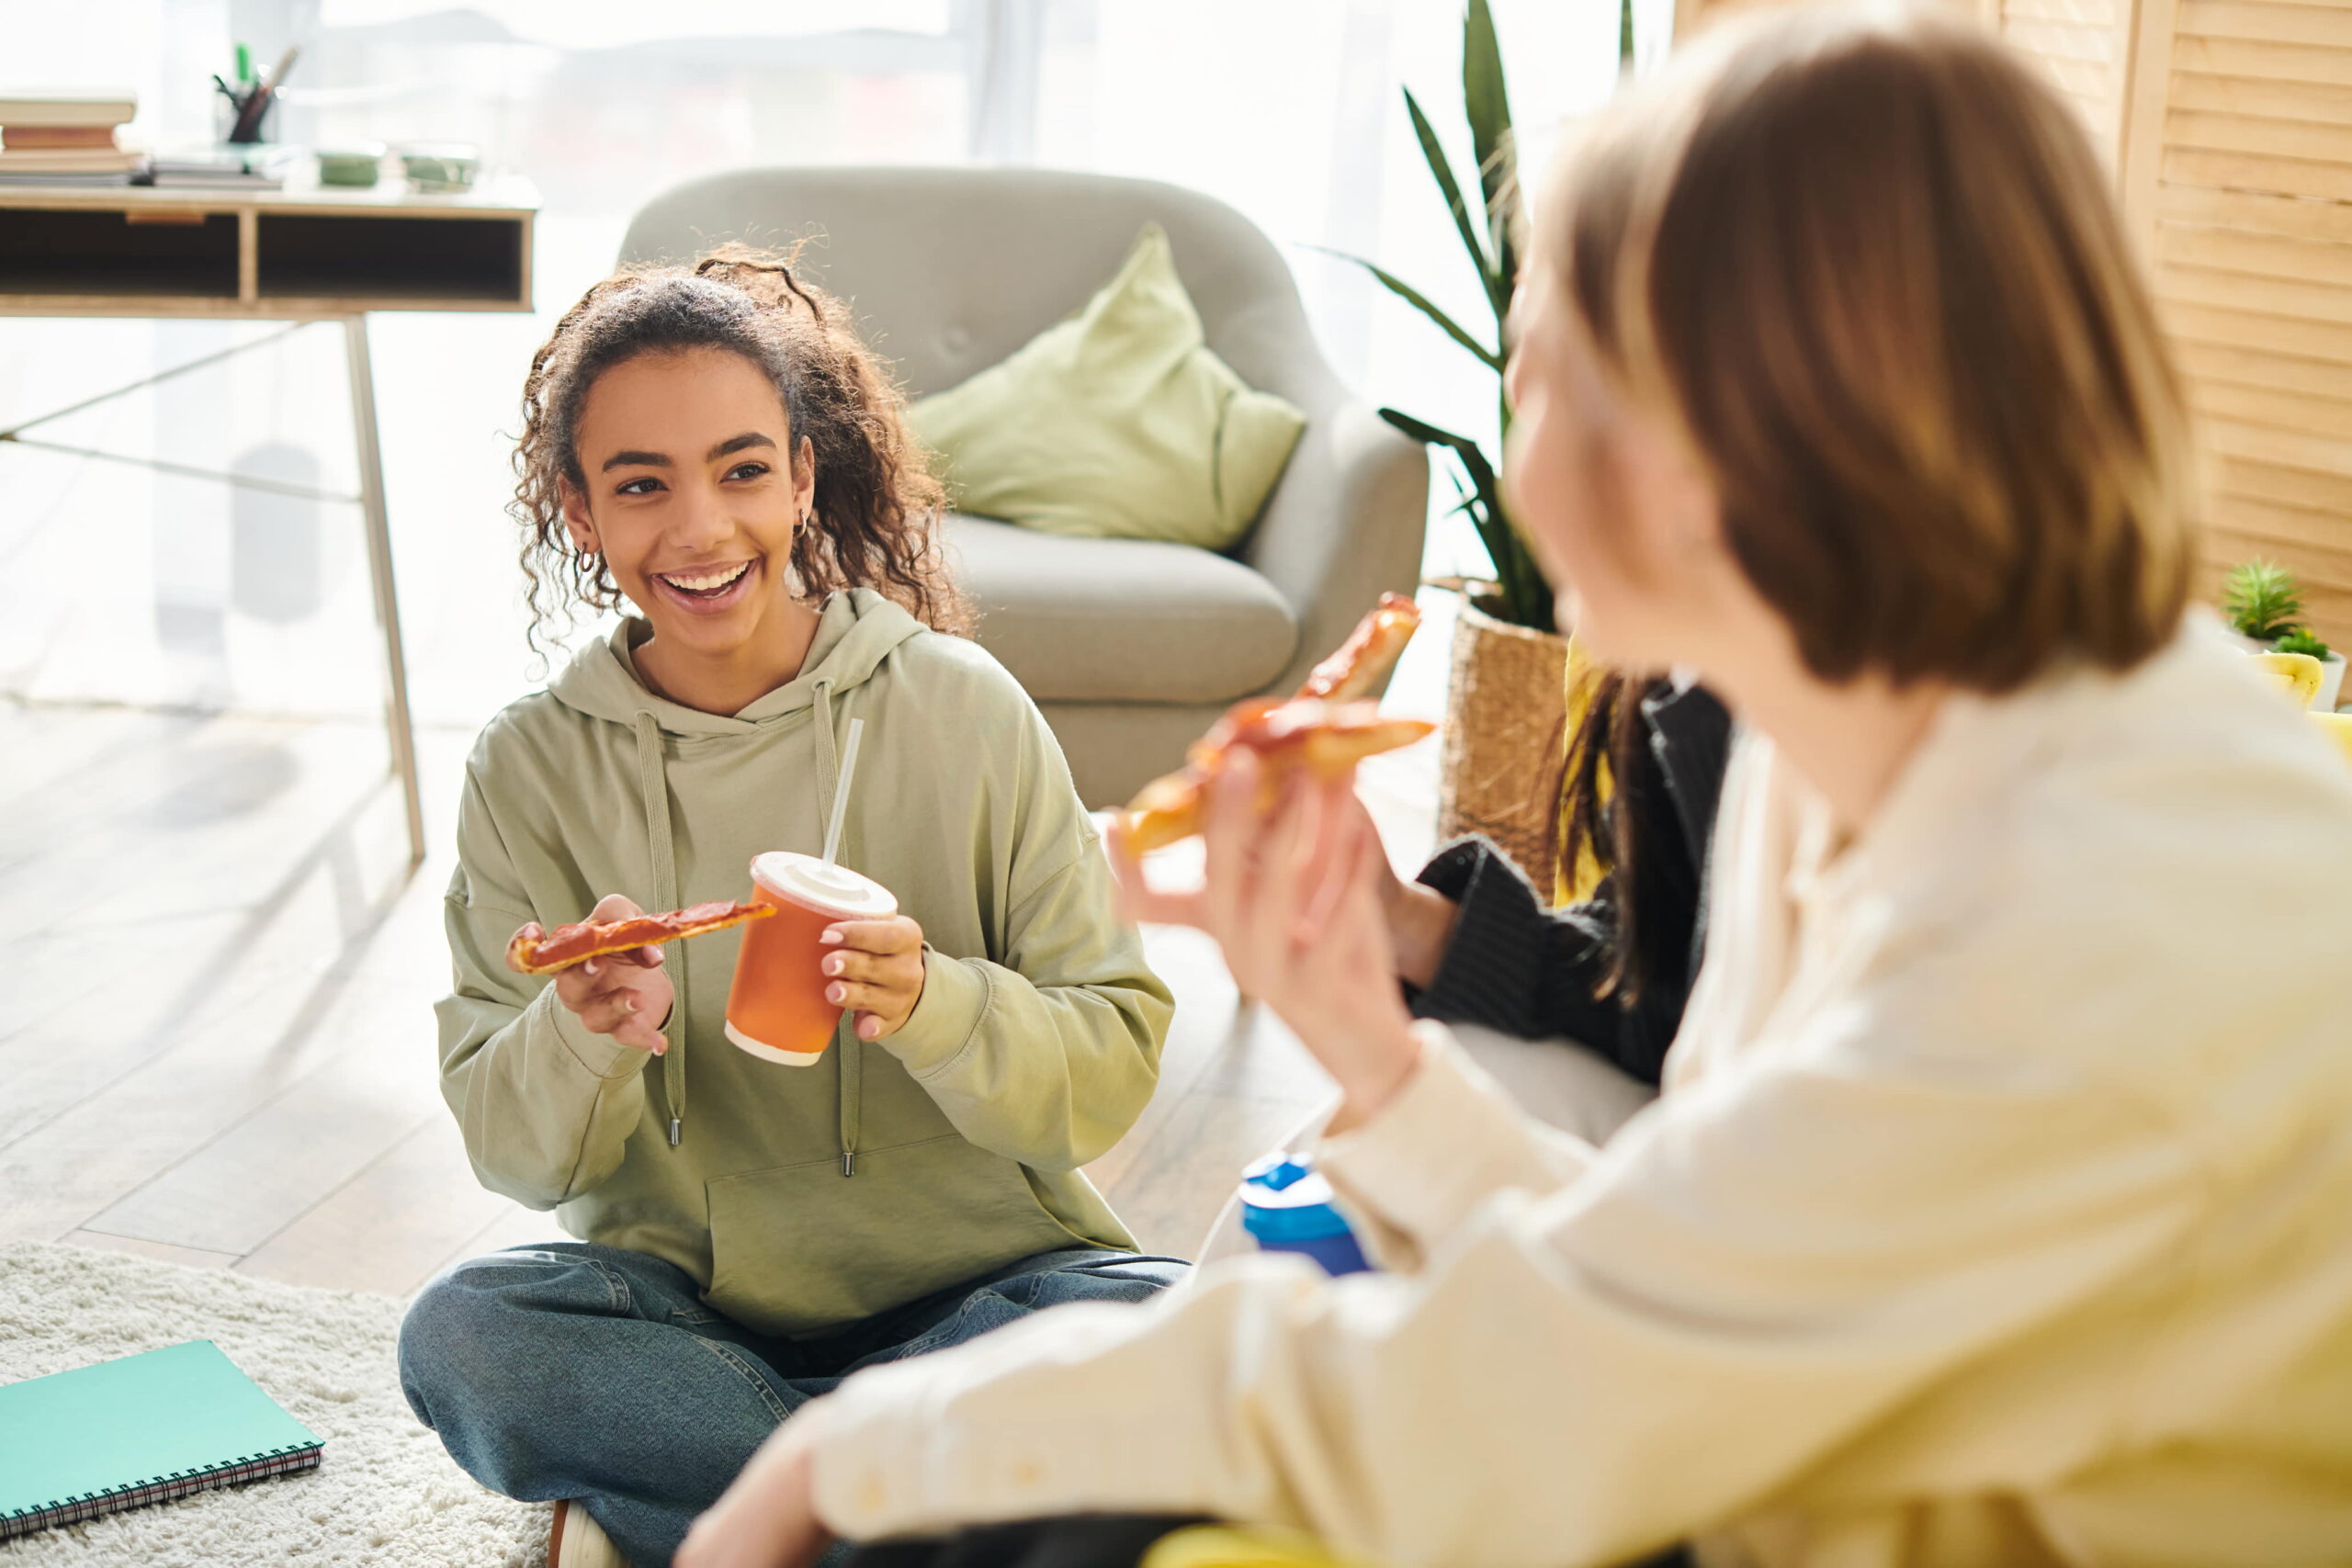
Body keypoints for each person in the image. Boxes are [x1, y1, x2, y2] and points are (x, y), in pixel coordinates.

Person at [676, 8, 2352, 1567]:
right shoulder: (1835, 727)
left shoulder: (2098, 921)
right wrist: (1376, 1044)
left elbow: (1535, 1393)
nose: (1514, 443)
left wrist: (861, 1449)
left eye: (1541, 358)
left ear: (1736, 439)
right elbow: (1679, 1285)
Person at [396, 248, 1184, 1568]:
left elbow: (1107, 1075)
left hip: (986, 1291)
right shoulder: (529, 766)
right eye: (641, 485)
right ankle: (911, 1508)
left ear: (805, 478)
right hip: (689, 1324)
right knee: (466, 1336)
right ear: (577, 511)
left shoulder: (962, 710)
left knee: (1167, 1333)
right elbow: (514, 1155)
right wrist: (580, 1032)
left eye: (744, 470)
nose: (701, 529)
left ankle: (757, 1512)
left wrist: (939, 1005)